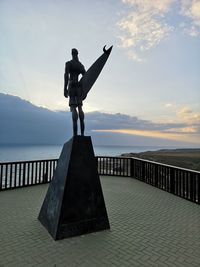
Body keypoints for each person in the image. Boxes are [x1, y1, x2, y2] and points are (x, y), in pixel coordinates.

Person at [64, 48, 86, 136]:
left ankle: (75, 135)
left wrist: (65, 88)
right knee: (80, 108)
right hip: (79, 88)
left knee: (73, 108)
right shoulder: (81, 65)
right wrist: (84, 91)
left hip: (72, 87)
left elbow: (66, 75)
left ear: (71, 54)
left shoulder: (69, 63)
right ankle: (83, 134)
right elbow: (86, 77)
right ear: (77, 54)